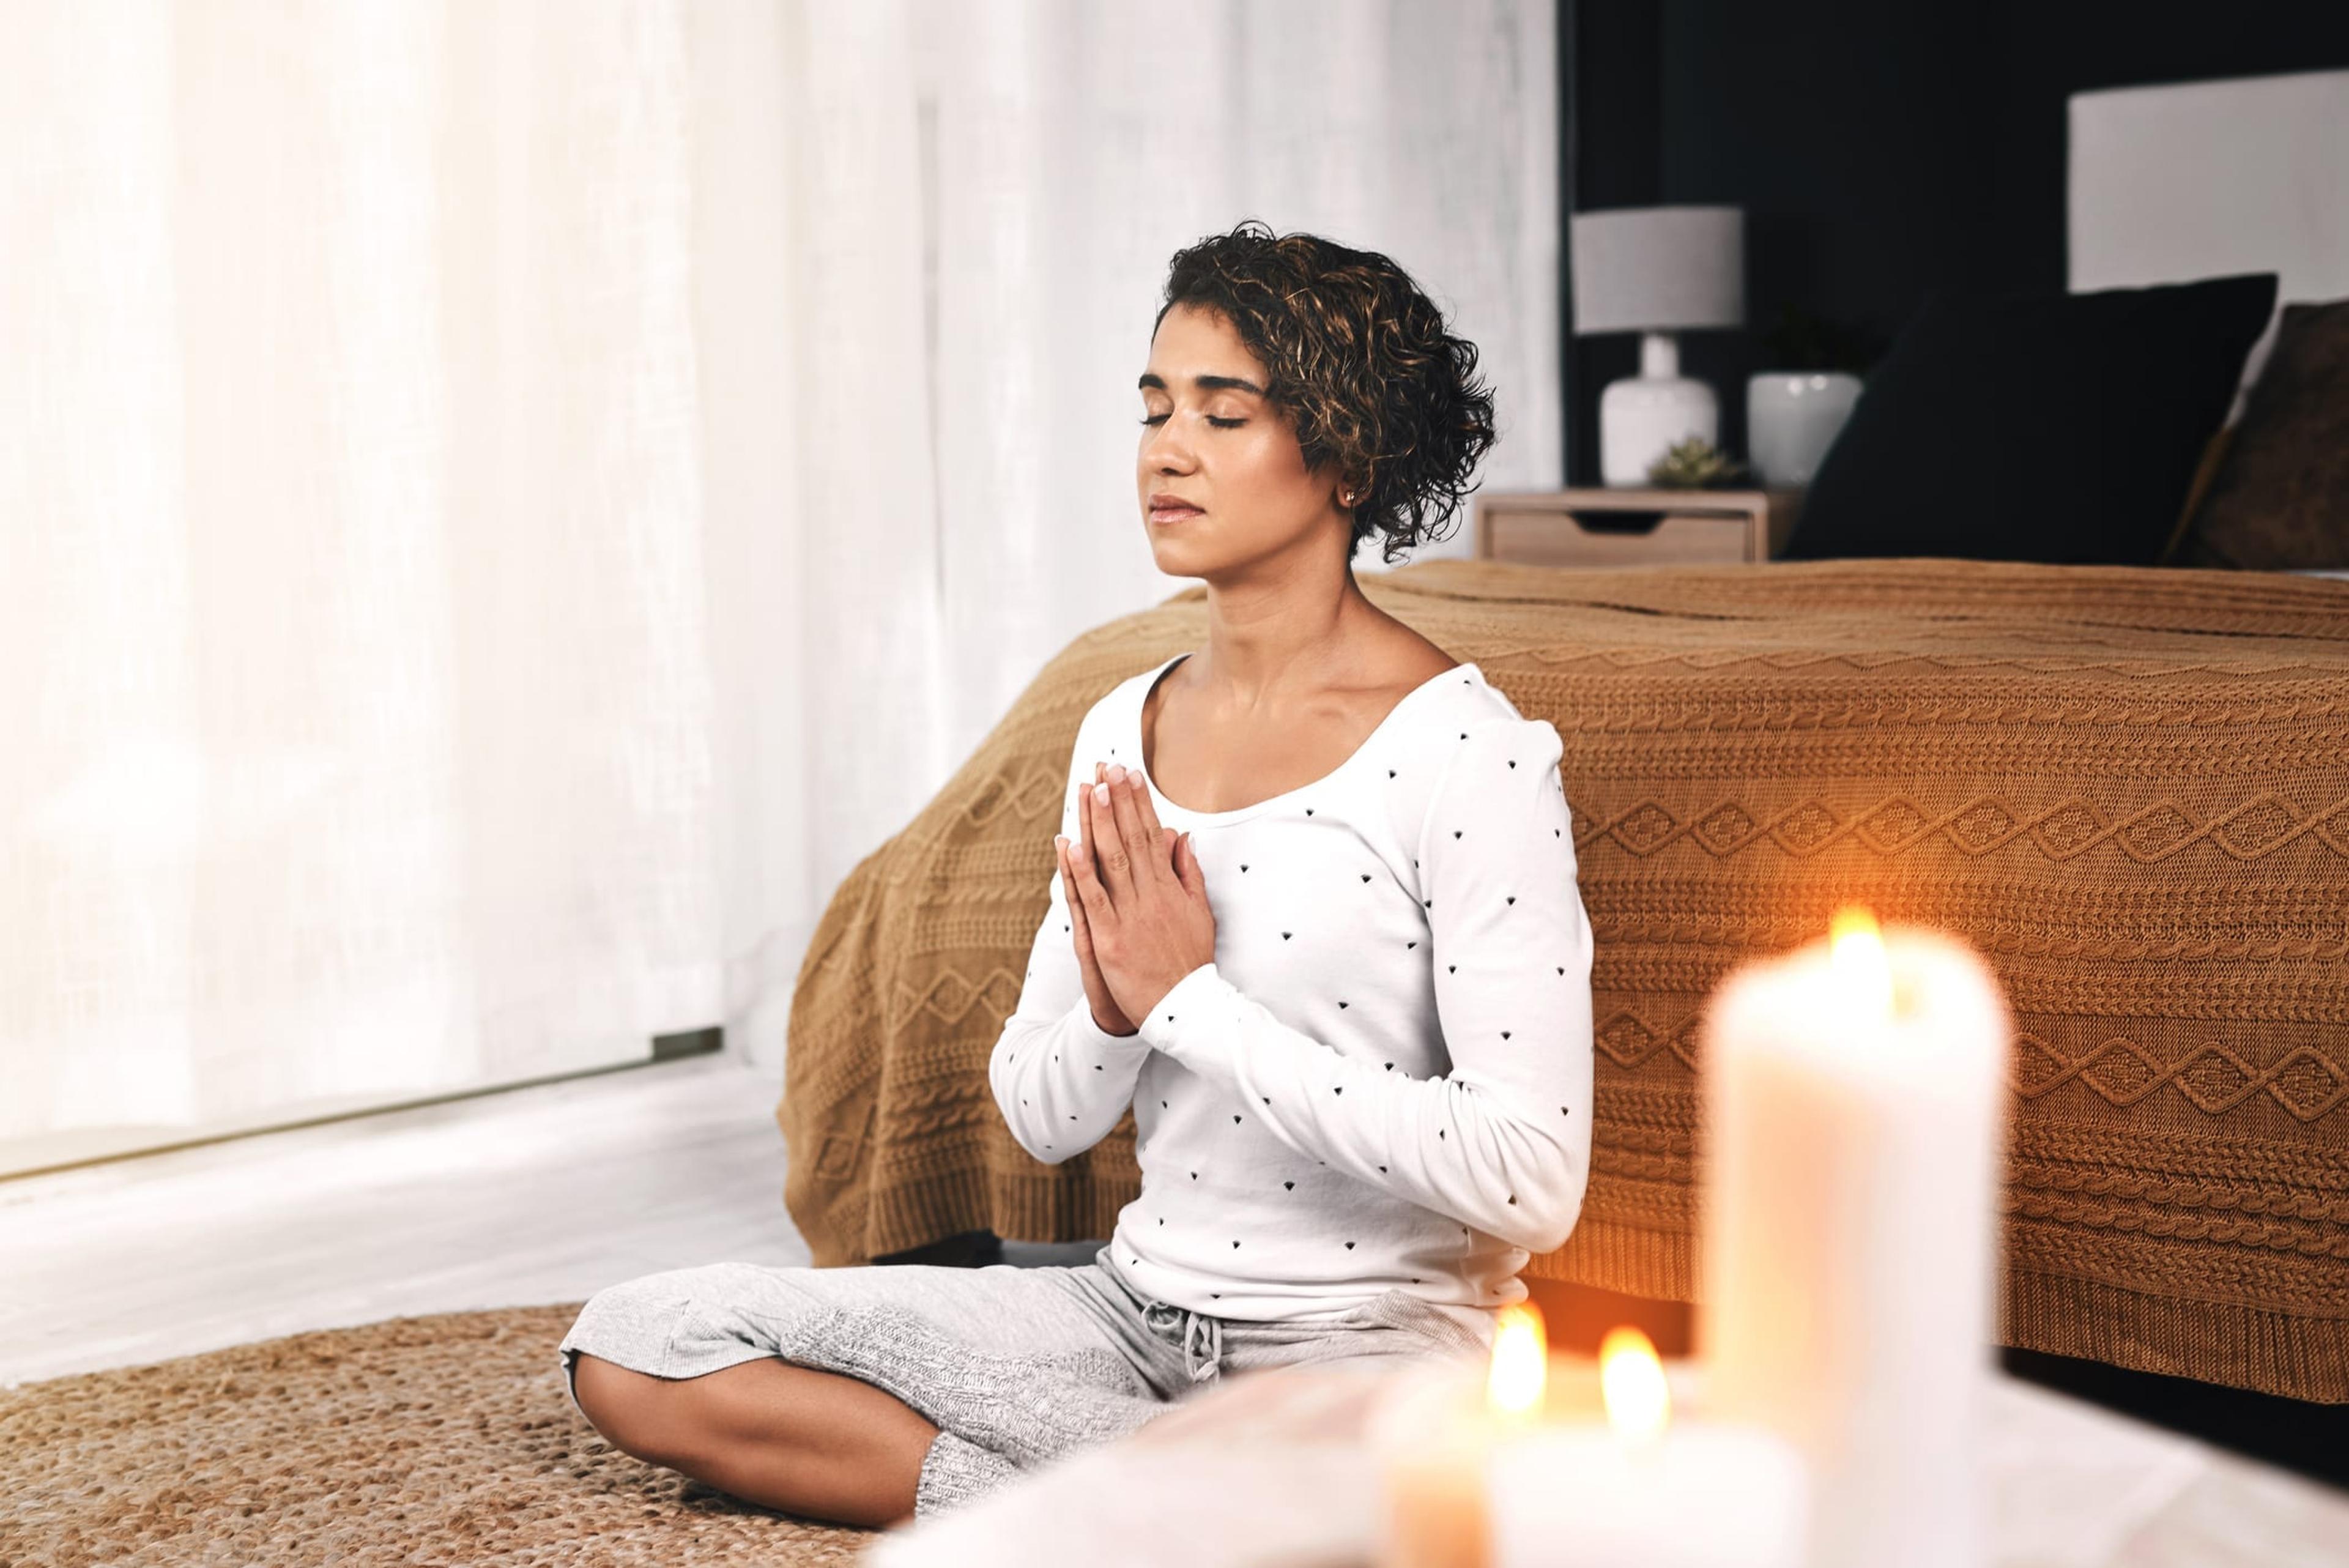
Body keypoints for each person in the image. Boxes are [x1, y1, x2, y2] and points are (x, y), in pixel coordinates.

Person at [558, 217, 1596, 1531]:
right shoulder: (1121, 725)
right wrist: (1114, 1010)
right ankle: (1159, 1511)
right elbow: (1038, 1118)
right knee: (640, 1344)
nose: (1167, 448)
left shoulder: (1471, 755)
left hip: (1371, 1354)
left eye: (1224, 415)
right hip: (1124, 1316)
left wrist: (1190, 1005)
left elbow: (1530, 1177)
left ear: (1346, 454)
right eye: (1156, 406)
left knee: (1358, 1487)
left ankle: (1122, 1511)